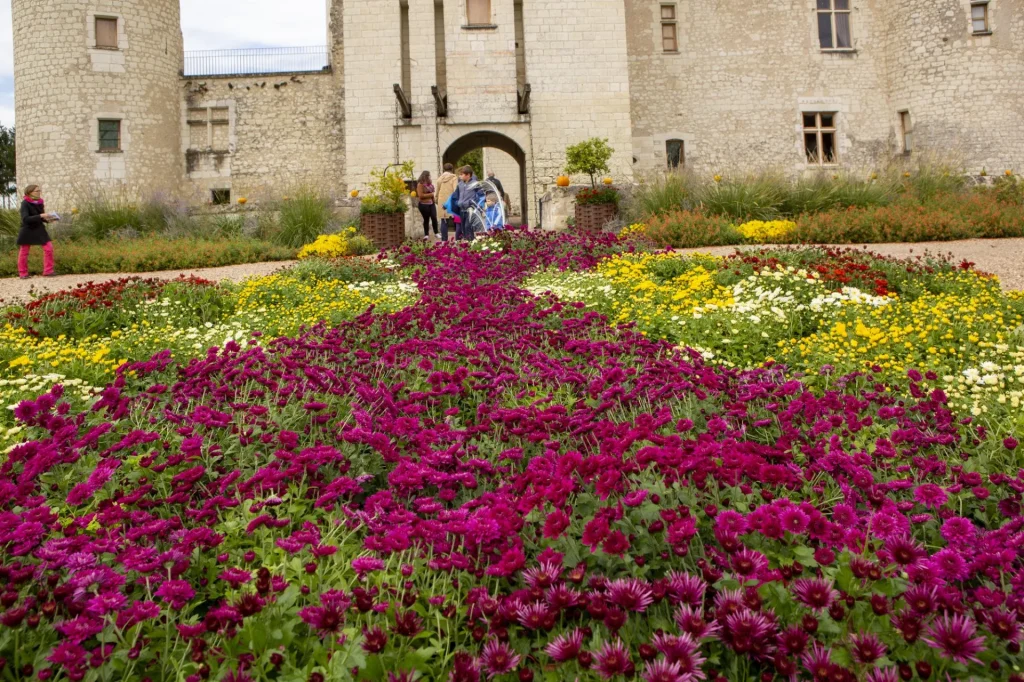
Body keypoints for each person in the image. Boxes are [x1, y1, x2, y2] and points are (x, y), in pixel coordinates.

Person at [17, 184, 57, 279]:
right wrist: (41, 216)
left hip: (39, 228)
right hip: (27, 229)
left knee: (49, 248)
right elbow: (25, 219)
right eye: (37, 191)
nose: (39, 193)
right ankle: (23, 273)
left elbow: (41, 216)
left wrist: (49, 219)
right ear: (29, 193)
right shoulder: (25, 203)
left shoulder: (39, 202)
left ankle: (48, 271)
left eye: (39, 191)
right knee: (24, 251)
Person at [455, 165, 483, 241]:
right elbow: (457, 195)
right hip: (461, 209)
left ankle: (470, 242)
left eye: (462, 174)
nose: (460, 176)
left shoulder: (475, 183)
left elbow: (481, 195)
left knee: (468, 226)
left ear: (468, 175)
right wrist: (457, 202)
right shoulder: (460, 184)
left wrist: (474, 203)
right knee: (463, 227)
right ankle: (468, 242)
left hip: (470, 209)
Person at [435, 163, 458, 242]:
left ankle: (444, 240)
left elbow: (437, 191)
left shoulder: (439, 179)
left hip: (442, 201)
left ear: (444, 169)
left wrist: (436, 199)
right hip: (451, 200)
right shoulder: (454, 178)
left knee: (444, 220)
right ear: (452, 169)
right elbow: (455, 190)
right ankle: (458, 239)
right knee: (456, 219)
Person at [415, 170, 440, 240]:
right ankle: (426, 234)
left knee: (434, 217)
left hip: (431, 204)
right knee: (426, 219)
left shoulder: (430, 184)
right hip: (423, 205)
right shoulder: (420, 185)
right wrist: (431, 194)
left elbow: (432, 194)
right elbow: (421, 195)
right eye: (428, 175)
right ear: (425, 176)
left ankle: (436, 233)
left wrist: (433, 200)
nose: (429, 177)